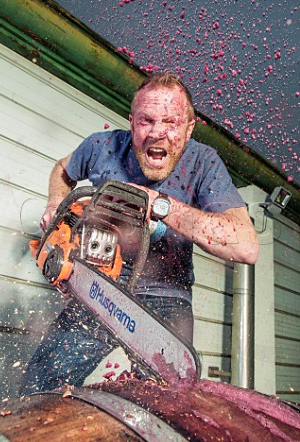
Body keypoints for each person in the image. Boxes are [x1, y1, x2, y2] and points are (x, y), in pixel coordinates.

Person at [20, 72, 259, 395]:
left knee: (168, 400)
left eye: (171, 123)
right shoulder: (101, 147)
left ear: (189, 128)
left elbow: (245, 246)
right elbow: (63, 169)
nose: (157, 133)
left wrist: (158, 205)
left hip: (166, 297)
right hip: (98, 288)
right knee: (39, 386)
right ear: (131, 122)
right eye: (146, 121)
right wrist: (55, 204)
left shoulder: (203, 163)